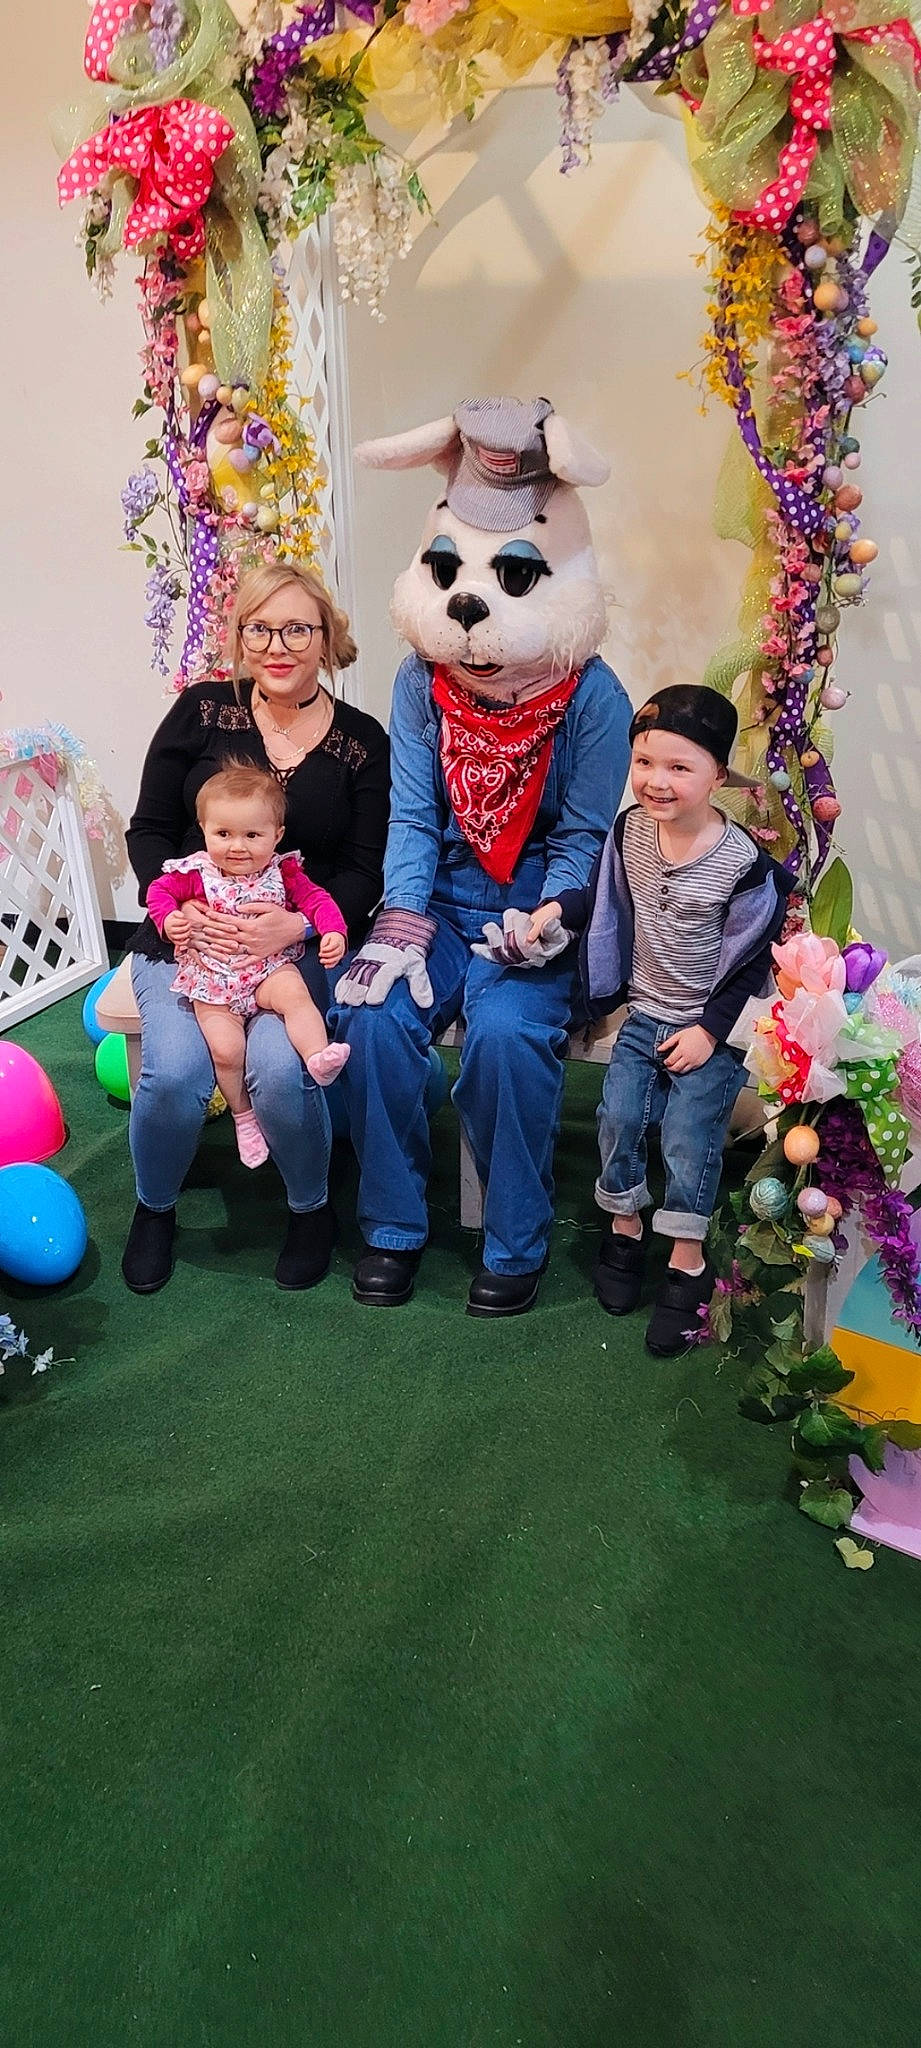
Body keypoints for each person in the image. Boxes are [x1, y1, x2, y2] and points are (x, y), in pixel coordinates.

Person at [330, 397, 633, 1315]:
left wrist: (551, 919)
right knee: (375, 1020)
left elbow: (583, 836)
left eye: (512, 572)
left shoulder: (593, 698)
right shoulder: (421, 680)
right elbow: (415, 817)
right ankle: (390, 1227)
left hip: (534, 907)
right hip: (441, 898)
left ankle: (514, 1239)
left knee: (505, 1040)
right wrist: (399, 927)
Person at [121, 561, 390, 1295]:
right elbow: (147, 829)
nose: (278, 644)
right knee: (174, 1075)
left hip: (290, 952)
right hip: (187, 942)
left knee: (278, 1069)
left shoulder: (362, 741)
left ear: (327, 637)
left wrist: (294, 926)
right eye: (259, 627)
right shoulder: (201, 711)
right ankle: (155, 1209)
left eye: (298, 627)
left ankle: (309, 1210)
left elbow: (365, 871)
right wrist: (175, 909)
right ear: (239, 635)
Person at [528, 684, 794, 1355]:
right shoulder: (629, 831)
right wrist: (558, 909)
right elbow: (603, 896)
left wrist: (708, 1031)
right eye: (644, 762)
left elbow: (747, 962)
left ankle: (685, 1259)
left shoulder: (740, 868)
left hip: (710, 1023)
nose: (656, 781)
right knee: (616, 1116)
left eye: (679, 767)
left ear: (715, 777)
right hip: (647, 1011)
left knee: (687, 1134)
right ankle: (623, 1229)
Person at [146, 763, 350, 1169]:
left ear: (277, 836)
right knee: (226, 1049)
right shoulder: (196, 874)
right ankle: (243, 1117)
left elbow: (318, 901)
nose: (237, 846)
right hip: (214, 977)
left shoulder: (284, 870)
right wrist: (169, 921)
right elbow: (158, 892)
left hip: (267, 968)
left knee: (295, 994)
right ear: (204, 830)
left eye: (252, 835)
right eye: (223, 834)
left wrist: (333, 932)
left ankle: (318, 1057)